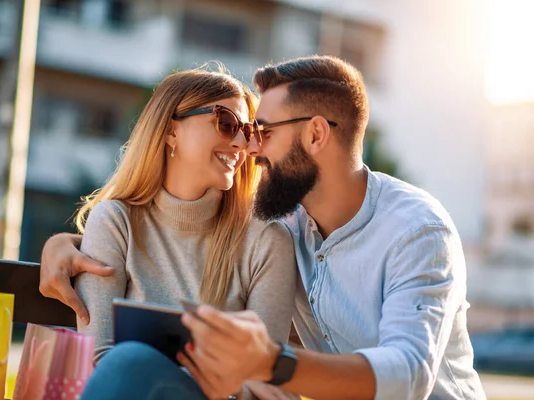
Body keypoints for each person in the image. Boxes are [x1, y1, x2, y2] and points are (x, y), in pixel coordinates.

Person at [40, 56, 486, 400]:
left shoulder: (418, 233)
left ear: (314, 135)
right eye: (236, 127)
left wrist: (273, 362)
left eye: (262, 131)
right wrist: (67, 244)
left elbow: (407, 374)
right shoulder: (290, 222)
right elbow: (168, 226)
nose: (249, 147)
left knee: (134, 364)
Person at [56, 66, 298, 399]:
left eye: (246, 130)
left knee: (132, 360)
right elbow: (98, 359)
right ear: (171, 131)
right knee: (129, 362)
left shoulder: (266, 241)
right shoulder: (114, 221)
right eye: (226, 123)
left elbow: (270, 385)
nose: (241, 143)